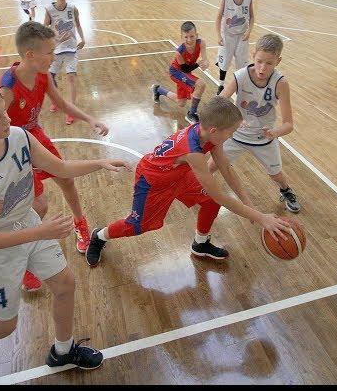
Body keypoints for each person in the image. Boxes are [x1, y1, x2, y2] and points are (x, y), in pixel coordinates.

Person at [0, 79, 130, 384]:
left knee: (65, 285)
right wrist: (40, 232)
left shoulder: (19, 136)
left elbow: (61, 168)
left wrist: (100, 162)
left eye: (4, 112)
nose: (7, 120)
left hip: (30, 226)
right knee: (2, 326)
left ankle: (63, 350)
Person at [85, 95, 290, 267]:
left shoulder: (209, 136)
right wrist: (260, 217)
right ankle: (99, 236)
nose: (232, 136)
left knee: (210, 203)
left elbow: (226, 168)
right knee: (139, 226)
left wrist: (249, 204)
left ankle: (200, 244)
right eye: (231, 132)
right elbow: (218, 192)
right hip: (152, 182)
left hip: (179, 175)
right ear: (214, 130)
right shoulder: (192, 150)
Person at [0, 21, 110, 289]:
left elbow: (60, 104)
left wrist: (89, 118)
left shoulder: (43, 76)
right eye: (50, 52)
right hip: (15, 146)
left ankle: (80, 226)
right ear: (30, 55)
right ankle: (22, 260)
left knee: (67, 180)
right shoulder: (7, 87)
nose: (54, 56)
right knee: (38, 206)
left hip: (35, 135)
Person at [213, 34, 300, 213]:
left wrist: (275, 132)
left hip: (264, 139)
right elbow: (220, 102)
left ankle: (286, 190)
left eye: (269, 63)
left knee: (276, 175)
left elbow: (289, 124)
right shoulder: (241, 76)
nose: (262, 68)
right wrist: (235, 118)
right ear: (253, 55)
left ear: (278, 61)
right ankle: (197, 189)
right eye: (259, 61)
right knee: (211, 166)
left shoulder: (280, 83)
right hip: (236, 136)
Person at [43, 0, 86, 125]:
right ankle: (56, 101)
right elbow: (44, 30)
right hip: (55, 50)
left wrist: (83, 38)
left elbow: (78, 25)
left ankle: (71, 109)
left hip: (71, 49)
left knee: (71, 78)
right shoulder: (49, 9)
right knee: (50, 79)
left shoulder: (73, 8)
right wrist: (55, 40)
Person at [151, 21, 209, 124]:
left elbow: (205, 60)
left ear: (197, 35)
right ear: (182, 37)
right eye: (186, 37)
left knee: (181, 103)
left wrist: (206, 63)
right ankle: (191, 114)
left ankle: (158, 90)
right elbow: (186, 69)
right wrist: (198, 64)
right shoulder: (179, 52)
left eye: (192, 36)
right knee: (201, 84)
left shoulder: (201, 43)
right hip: (177, 72)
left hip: (185, 73)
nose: (189, 40)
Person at [215, 0, 254, 94]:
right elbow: (218, 17)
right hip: (227, 35)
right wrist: (218, 35)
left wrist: (249, 31)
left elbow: (252, 17)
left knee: (241, 64)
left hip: (242, 36)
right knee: (225, 61)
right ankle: (221, 85)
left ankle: (239, 86)